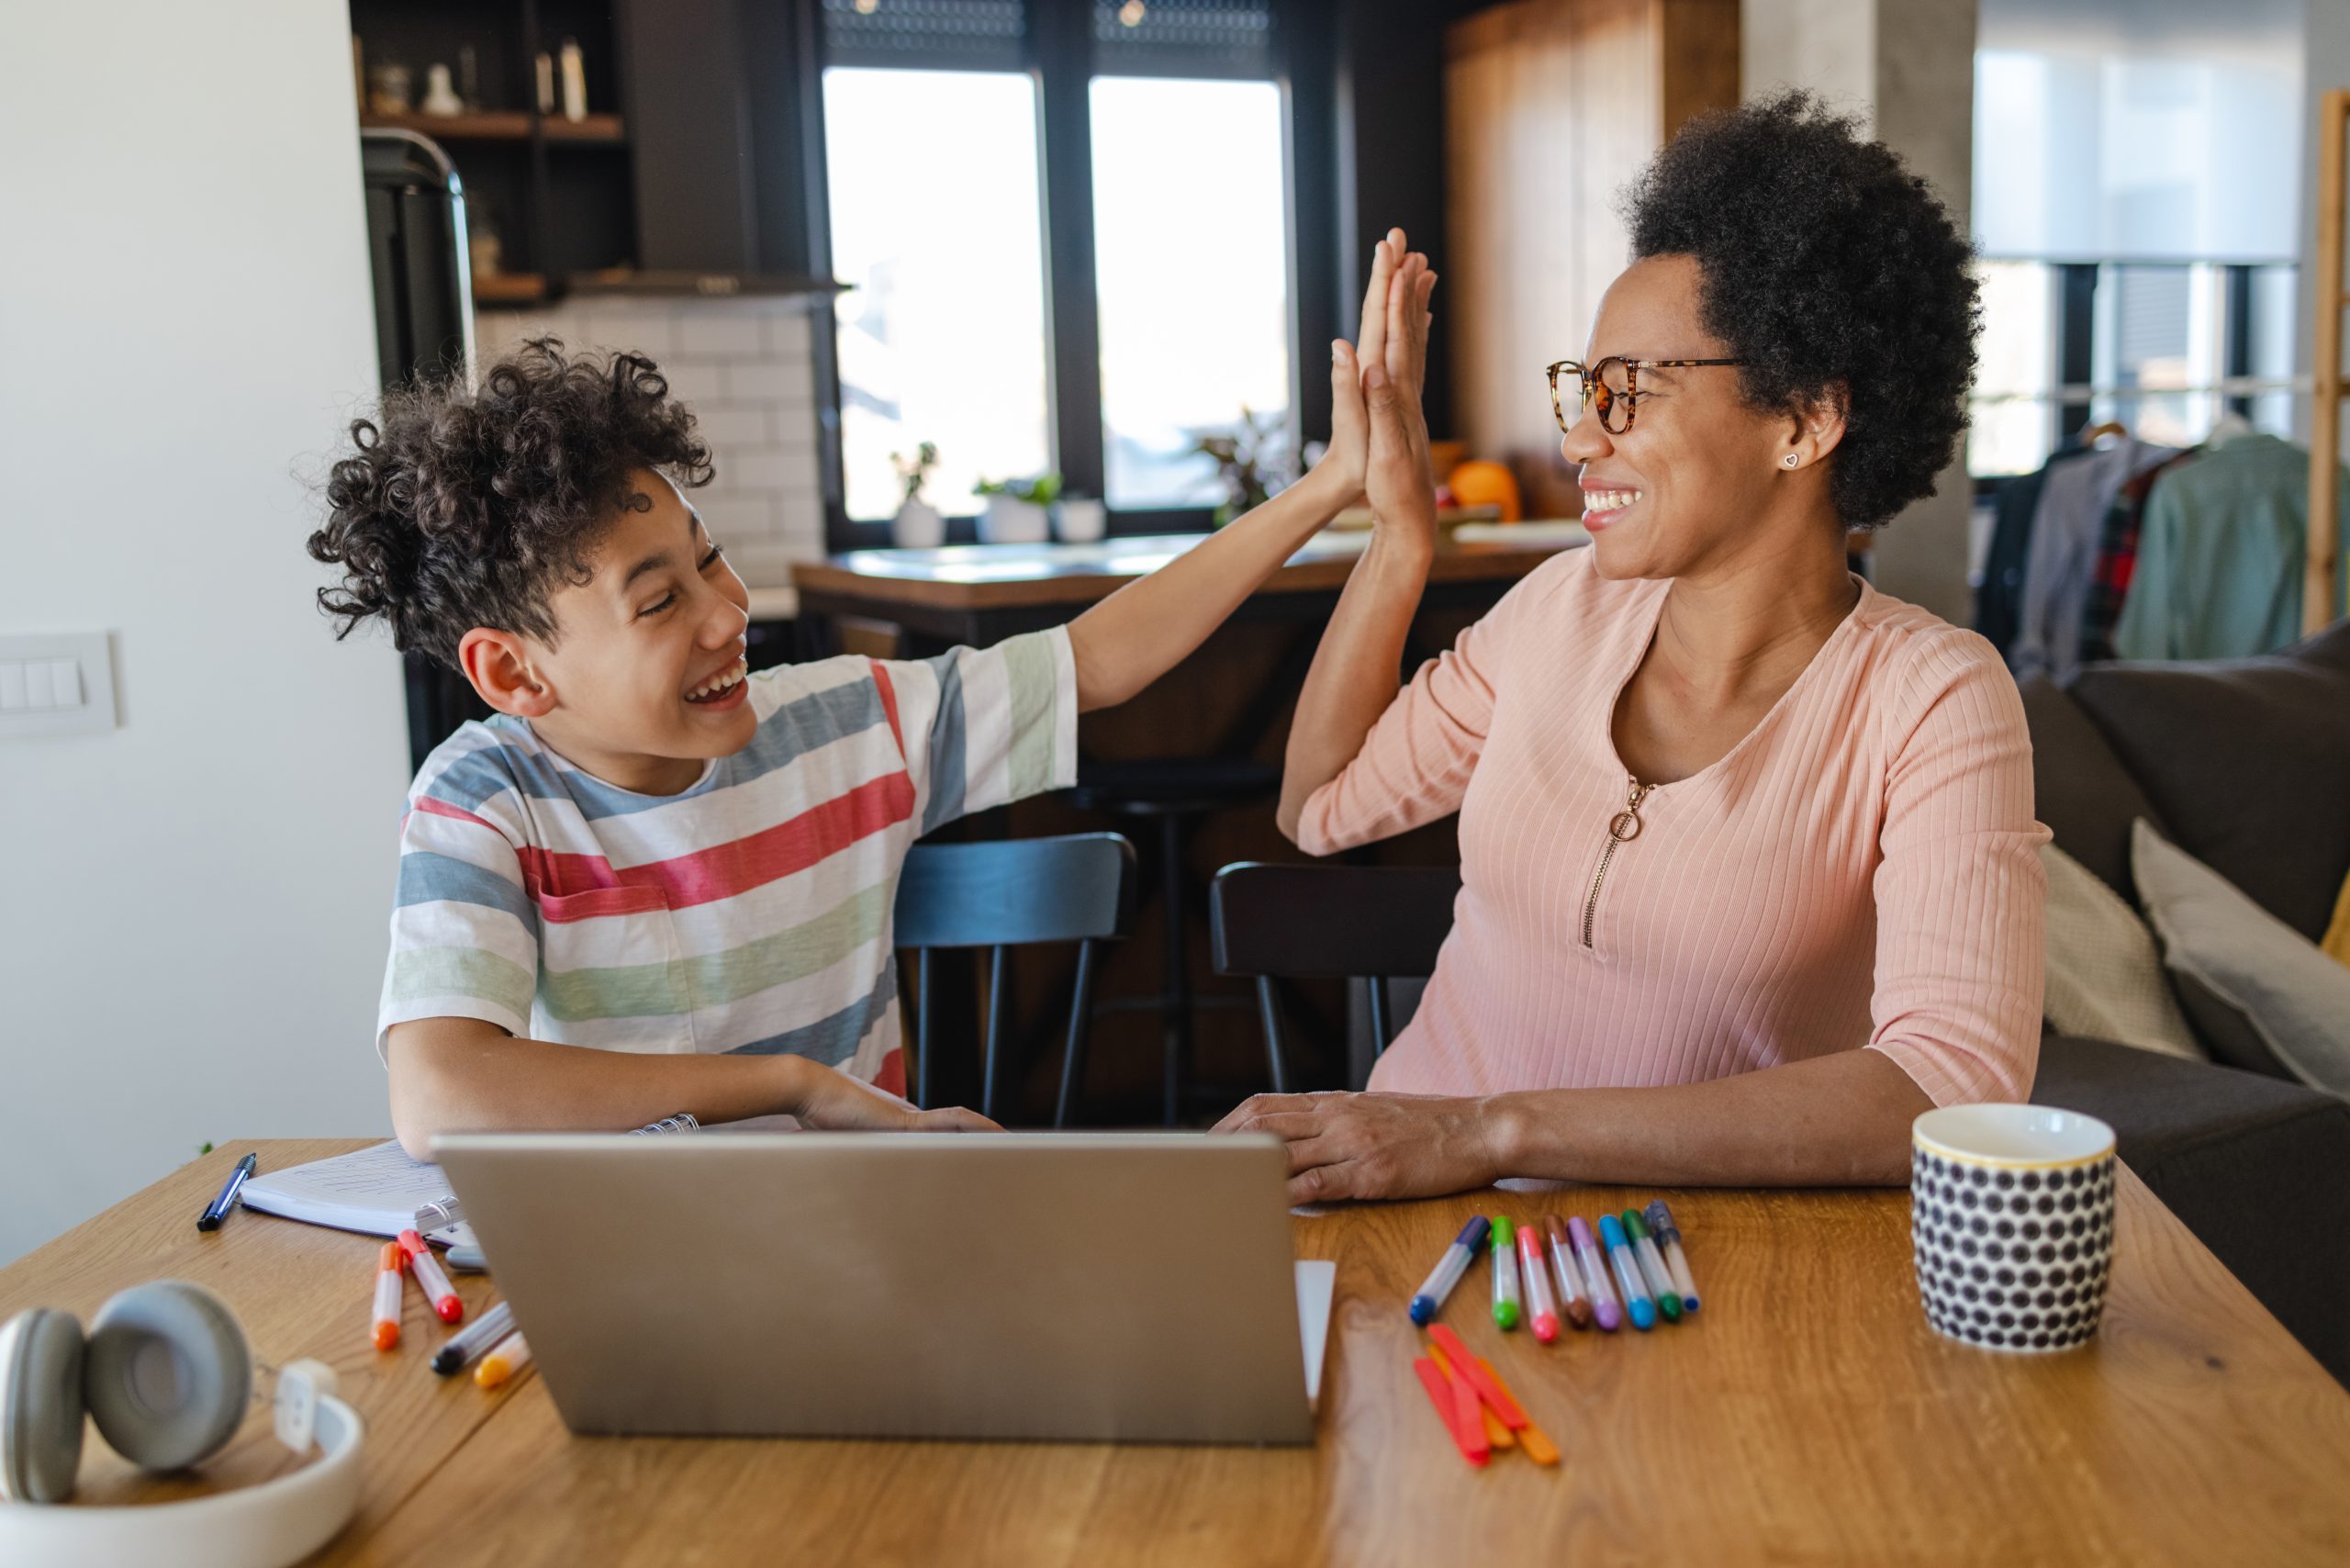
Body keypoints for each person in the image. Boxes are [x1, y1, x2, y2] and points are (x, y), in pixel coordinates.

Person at [309, 249, 1408, 1158]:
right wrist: (795, 1087)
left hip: (861, 1230)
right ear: (514, 675)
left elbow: (1097, 660)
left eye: (711, 560)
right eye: (658, 602)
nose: (724, 614)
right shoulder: (484, 800)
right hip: (629, 1251)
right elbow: (440, 1096)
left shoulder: (847, 724)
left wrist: (1323, 489)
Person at [1217, 92, 2049, 1203]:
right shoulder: (1554, 610)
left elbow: (1948, 1087)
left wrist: (1491, 1132)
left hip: (1689, 1270)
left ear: (1803, 420)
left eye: (1627, 391)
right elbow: (1318, 806)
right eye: (1581, 386)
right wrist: (1399, 534)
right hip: (1404, 1215)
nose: (1577, 435)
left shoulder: (1931, 697)